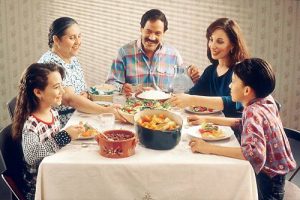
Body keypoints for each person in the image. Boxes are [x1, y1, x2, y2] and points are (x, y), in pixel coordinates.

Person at [188, 58, 296, 200]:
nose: (229, 85)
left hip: (267, 181)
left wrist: (207, 147)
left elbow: (252, 154)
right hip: (277, 175)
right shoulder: (266, 100)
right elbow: (243, 123)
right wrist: (207, 119)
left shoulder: (253, 112)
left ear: (246, 90)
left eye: (233, 81)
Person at [12, 63, 85, 200]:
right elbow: (32, 155)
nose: (63, 92)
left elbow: (53, 141)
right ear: (38, 92)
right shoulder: (31, 125)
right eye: (57, 87)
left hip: (56, 174)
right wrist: (65, 136)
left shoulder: (52, 112)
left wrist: (72, 132)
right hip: (42, 189)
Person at [38, 17, 123, 126]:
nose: (78, 42)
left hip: (79, 114)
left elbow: (80, 92)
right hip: (60, 123)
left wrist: (85, 95)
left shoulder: (71, 58)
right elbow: (69, 99)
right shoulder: (51, 64)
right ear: (56, 40)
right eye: (72, 38)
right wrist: (105, 110)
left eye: (79, 36)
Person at [105, 9, 200, 96]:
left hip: (164, 110)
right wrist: (123, 88)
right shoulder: (124, 53)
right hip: (133, 109)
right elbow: (110, 84)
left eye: (157, 33)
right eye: (148, 31)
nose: (152, 37)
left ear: (163, 33)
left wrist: (192, 78)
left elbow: (182, 89)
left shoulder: (174, 55)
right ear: (141, 29)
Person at [168, 18, 250, 117]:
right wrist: (188, 79)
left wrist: (192, 99)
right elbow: (193, 94)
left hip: (233, 129)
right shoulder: (210, 70)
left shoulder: (240, 72)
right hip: (210, 127)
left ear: (232, 45)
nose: (212, 46)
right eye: (211, 40)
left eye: (220, 42)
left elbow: (235, 103)